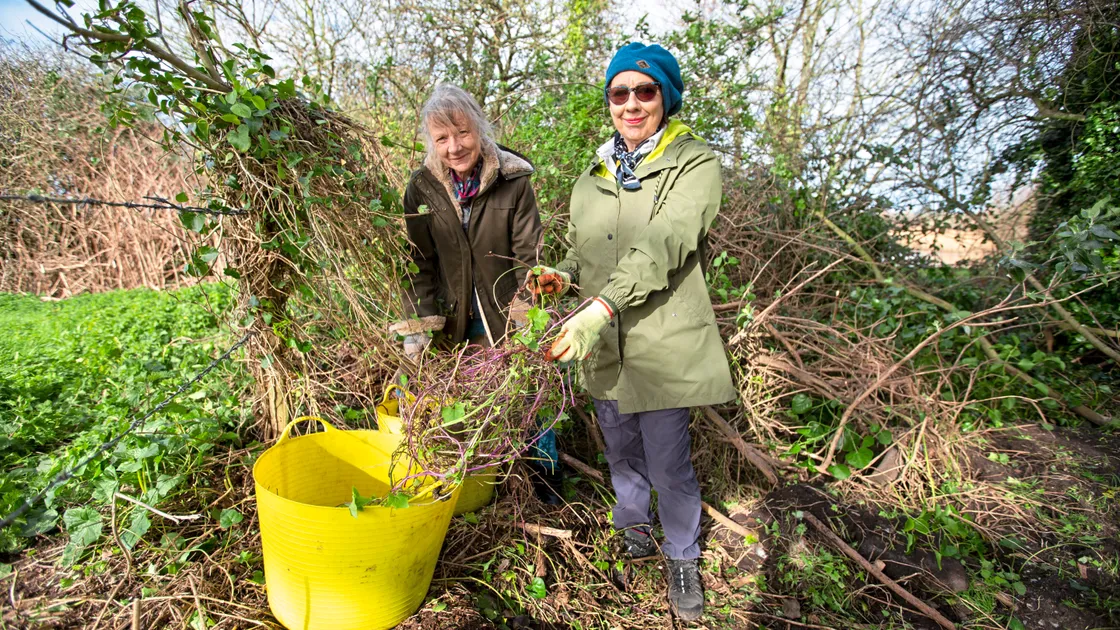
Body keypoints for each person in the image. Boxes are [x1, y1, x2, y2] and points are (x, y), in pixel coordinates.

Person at [531, 43, 736, 622]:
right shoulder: (591, 178)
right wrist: (560, 275)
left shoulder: (693, 163)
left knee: (668, 461)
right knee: (620, 452)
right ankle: (633, 529)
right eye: (619, 93)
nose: (631, 103)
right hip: (604, 345)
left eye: (644, 91)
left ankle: (682, 556)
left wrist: (600, 306)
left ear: (664, 98)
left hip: (661, 344)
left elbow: (667, 242)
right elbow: (582, 250)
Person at [390, 84, 561, 503]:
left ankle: (546, 489)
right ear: (431, 142)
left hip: (505, 312)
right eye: (442, 138)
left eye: (462, 133)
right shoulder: (422, 189)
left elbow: (529, 255)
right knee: (459, 404)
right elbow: (419, 263)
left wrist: (526, 317)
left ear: (480, 130)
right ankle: (481, 492)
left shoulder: (513, 179)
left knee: (526, 399)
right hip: (452, 316)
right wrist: (417, 328)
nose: (454, 147)